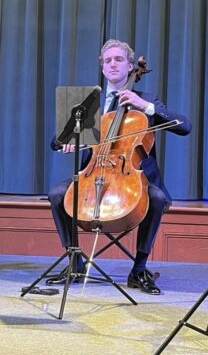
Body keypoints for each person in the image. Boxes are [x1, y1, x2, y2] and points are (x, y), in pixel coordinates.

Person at [47, 39, 192, 294]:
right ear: (102, 69)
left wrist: (144, 106)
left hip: (134, 176)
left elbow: (184, 126)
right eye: (107, 61)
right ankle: (75, 261)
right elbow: (55, 141)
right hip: (94, 172)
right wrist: (69, 143)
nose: (112, 64)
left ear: (130, 67)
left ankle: (139, 270)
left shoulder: (146, 99)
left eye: (118, 60)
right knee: (57, 194)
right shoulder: (90, 103)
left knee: (156, 199)